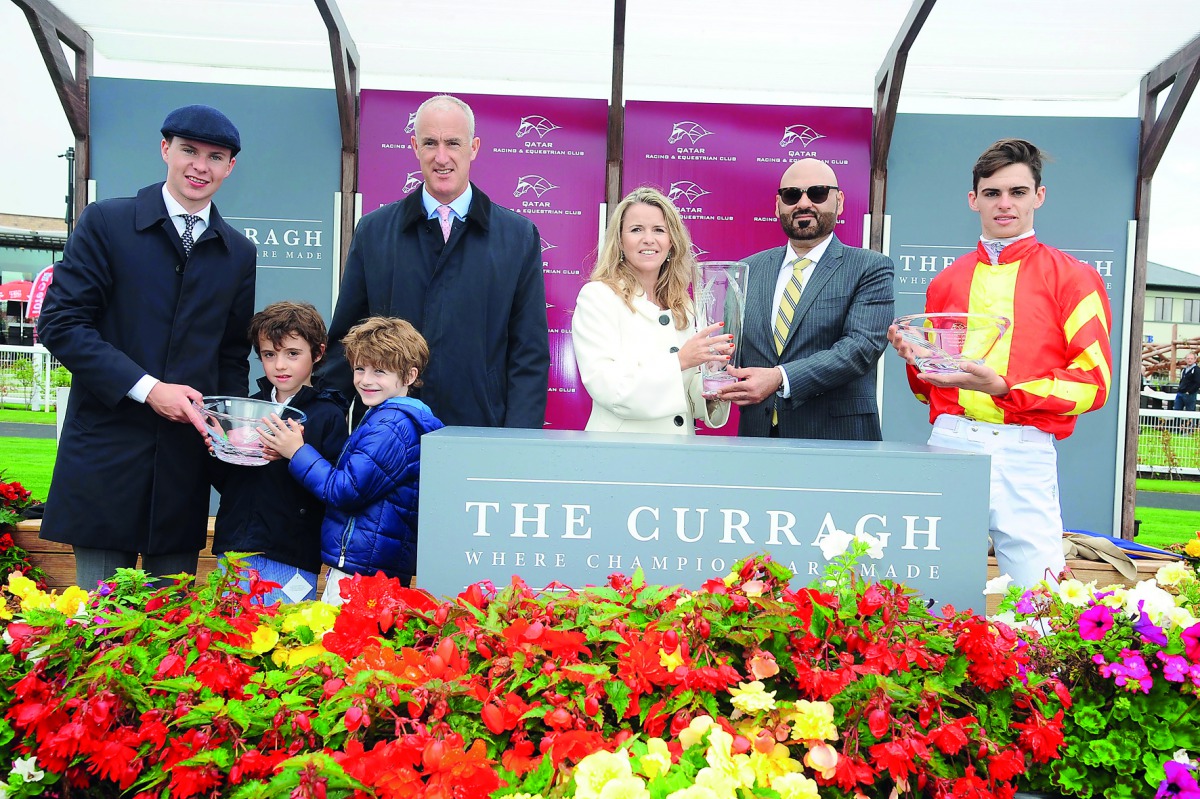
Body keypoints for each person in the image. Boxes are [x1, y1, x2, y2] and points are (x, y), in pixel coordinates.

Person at [37, 104, 256, 589]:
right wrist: (148, 388)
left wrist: (226, 428)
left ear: (230, 167)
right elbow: (61, 323)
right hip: (104, 459)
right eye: (189, 151)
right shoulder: (106, 222)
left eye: (215, 157)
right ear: (165, 150)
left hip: (181, 471)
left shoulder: (239, 252)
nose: (201, 166)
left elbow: (230, 354)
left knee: (169, 638)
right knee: (98, 630)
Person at [888, 138, 1113, 589]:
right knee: (932, 592)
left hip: (1024, 451)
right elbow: (926, 389)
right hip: (950, 443)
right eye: (992, 193)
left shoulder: (1074, 277)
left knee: (1040, 600)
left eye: (1018, 192)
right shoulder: (946, 280)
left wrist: (1005, 387)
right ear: (974, 200)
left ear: (1039, 197)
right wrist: (914, 359)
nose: (1004, 204)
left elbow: (1092, 385)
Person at [320, 94, 549, 428]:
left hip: (479, 432)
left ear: (474, 148)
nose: (442, 157)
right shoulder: (375, 231)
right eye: (430, 143)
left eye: (453, 143)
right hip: (388, 435)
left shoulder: (517, 236)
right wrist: (325, 418)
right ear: (414, 146)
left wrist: (517, 443)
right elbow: (348, 339)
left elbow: (529, 353)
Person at [261, 317, 445, 605]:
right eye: (360, 368)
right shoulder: (388, 417)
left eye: (380, 371)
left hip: (364, 574)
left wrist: (297, 451)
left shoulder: (392, 425)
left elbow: (345, 490)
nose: (365, 380)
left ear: (409, 376)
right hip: (371, 565)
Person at [716, 159, 894, 440]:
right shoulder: (747, 270)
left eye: (818, 193)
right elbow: (727, 347)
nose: (804, 203)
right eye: (791, 195)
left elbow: (859, 349)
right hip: (758, 439)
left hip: (837, 441)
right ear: (778, 205)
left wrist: (779, 378)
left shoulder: (870, 268)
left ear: (839, 201)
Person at [211, 301, 349, 604]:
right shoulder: (245, 410)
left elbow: (332, 490)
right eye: (269, 355)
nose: (280, 365)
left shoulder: (327, 414)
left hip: (292, 553)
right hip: (234, 548)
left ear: (319, 353)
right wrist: (219, 450)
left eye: (292, 353)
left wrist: (294, 455)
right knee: (229, 639)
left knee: (286, 643)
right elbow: (229, 483)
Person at [571, 187, 731, 434]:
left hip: (678, 456)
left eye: (658, 230)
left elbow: (685, 393)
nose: (649, 239)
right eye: (636, 230)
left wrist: (716, 381)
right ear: (620, 242)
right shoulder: (598, 297)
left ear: (671, 242)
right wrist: (681, 360)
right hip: (621, 456)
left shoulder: (682, 305)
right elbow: (610, 389)